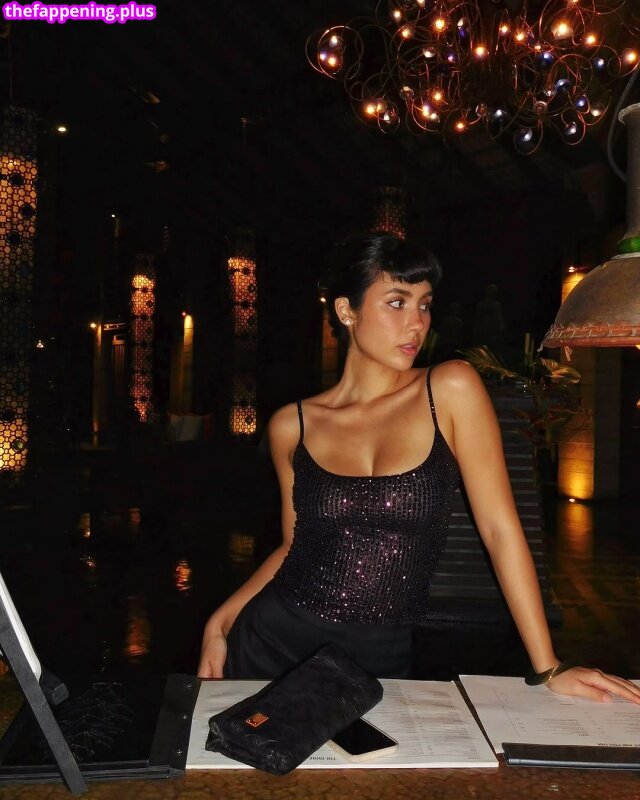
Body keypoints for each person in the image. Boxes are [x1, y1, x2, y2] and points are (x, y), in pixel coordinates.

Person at [199, 232, 640, 705]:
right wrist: (220, 622)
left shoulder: (448, 389)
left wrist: (548, 666)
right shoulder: (293, 425)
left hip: (378, 659)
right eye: (397, 302)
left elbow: (499, 530)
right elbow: (293, 545)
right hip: (272, 646)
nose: (417, 324)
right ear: (347, 311)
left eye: (425, 305)